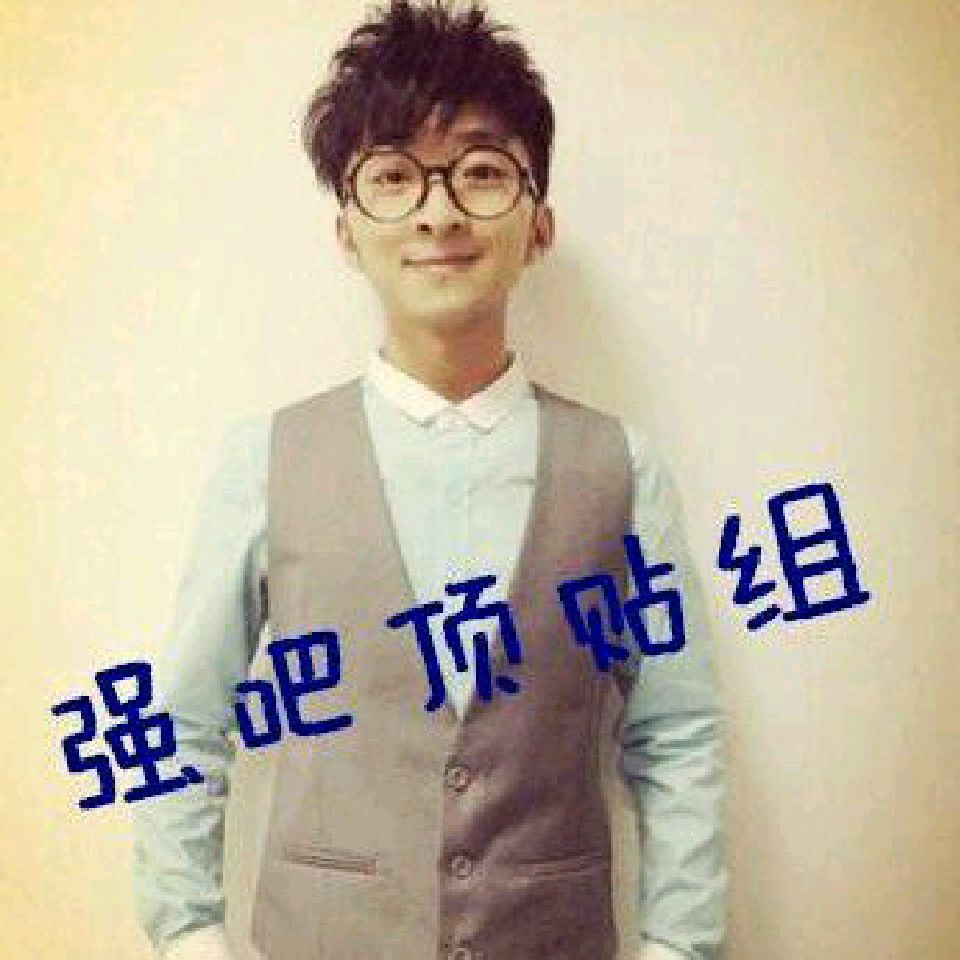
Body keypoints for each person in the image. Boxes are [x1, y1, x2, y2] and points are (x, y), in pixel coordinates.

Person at [133, 2, 726, 959]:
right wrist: (190, 937)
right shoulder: (265, 461)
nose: (438, 212)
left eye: (482, 172)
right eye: (394, 177)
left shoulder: (621, 469)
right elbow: (184, 723)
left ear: (539, 224)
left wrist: (679, 948)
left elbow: (677, 732)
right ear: (346, 231)